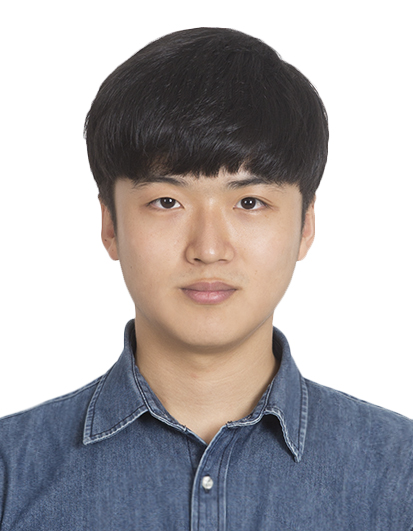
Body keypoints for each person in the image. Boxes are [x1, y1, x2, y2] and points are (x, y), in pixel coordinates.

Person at [0, 27, 411, 531]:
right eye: (166, 202)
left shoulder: (399, 473)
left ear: (305, 226)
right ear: (110, 225)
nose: (209, 249)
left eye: (250, 202)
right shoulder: (11, 473)